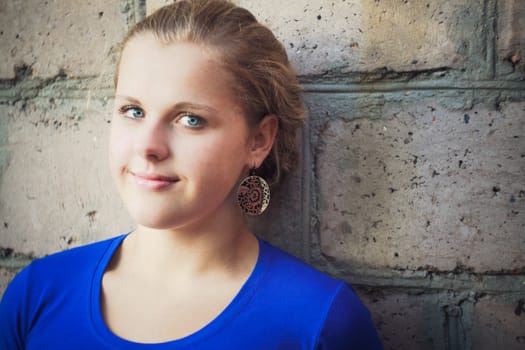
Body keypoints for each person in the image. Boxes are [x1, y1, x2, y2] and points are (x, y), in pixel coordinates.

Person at [0, 1, 383, 348]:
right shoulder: (37, 294)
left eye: (190, 119)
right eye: (133, 111)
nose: (148, 146)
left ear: (259, 140)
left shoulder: (318, 321)